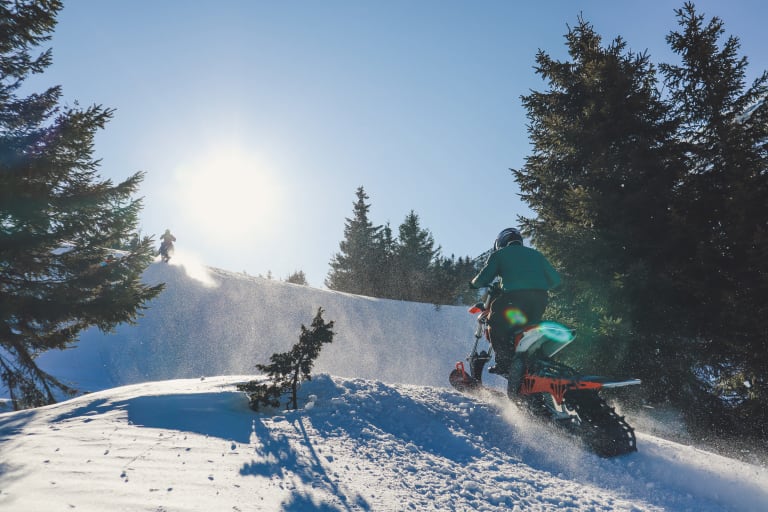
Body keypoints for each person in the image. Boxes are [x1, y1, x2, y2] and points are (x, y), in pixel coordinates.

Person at [469, 227, 561, 397]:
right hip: (538, 301)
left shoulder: (500, 255)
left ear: (500, 243)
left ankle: (504, 362)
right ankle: (526, 365)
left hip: (514, 299)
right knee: (523, 326)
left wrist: (473, 284)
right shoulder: (536, 255)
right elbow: (556, 280)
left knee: (495, 322)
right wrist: (535, 285)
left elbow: (483, 278)